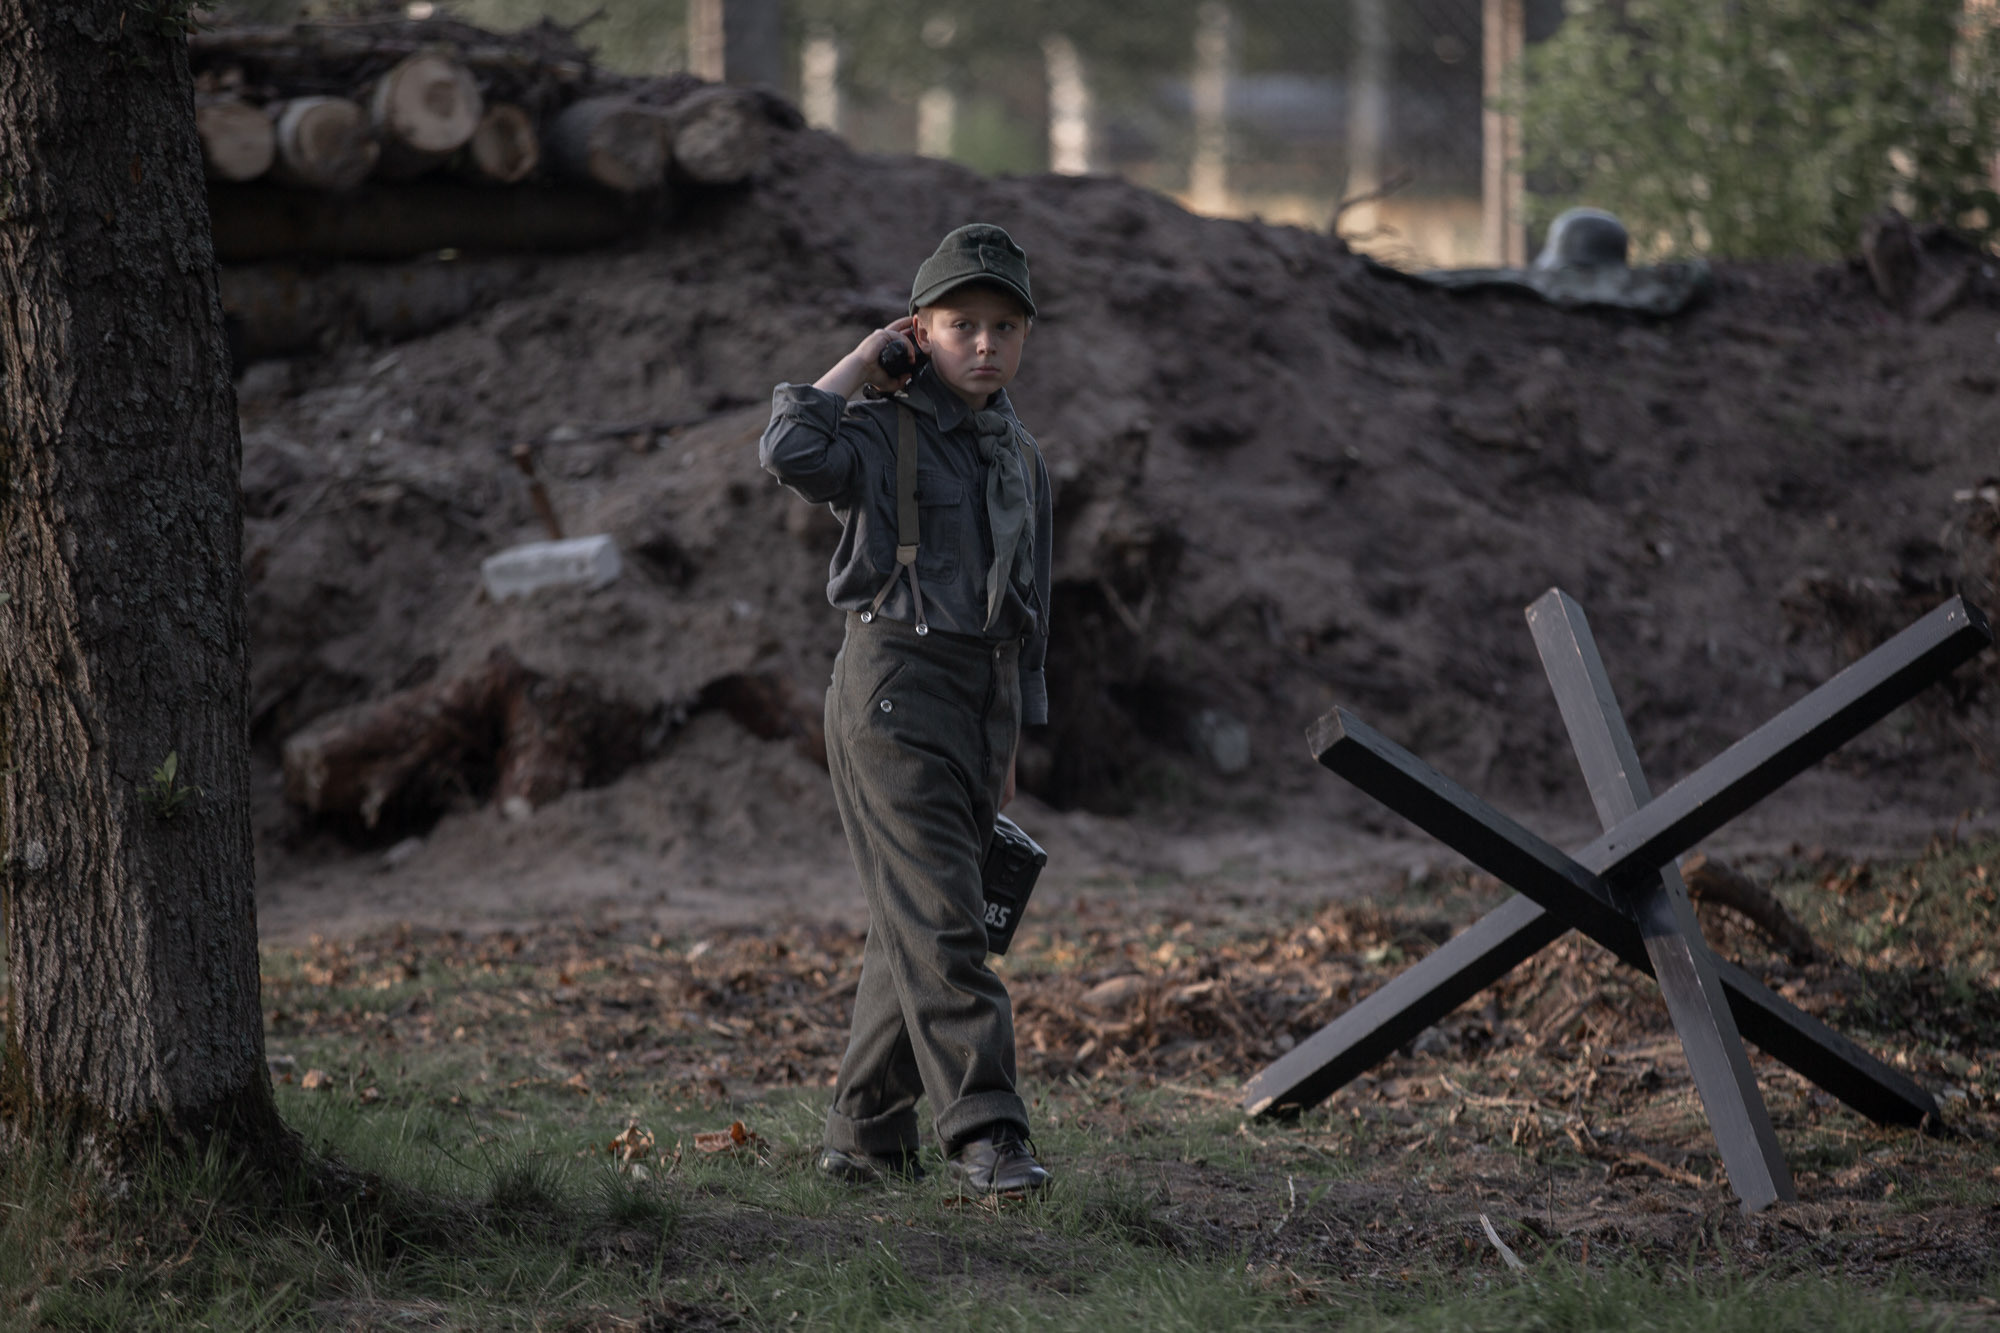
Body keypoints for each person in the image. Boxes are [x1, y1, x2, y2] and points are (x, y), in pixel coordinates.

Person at [758, 223, 1054, 1194]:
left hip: (980, 697)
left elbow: (1031, 606)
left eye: (1002, 327)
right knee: (943, 919)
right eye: (958, 324)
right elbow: (787, 445)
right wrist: (859, 360)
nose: (982, 344)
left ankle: (866, 1135)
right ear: (917, 330)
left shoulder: (1020, 454)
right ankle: (986, 1131)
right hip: (891, 685)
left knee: (918, 917)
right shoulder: (877, 431)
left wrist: (1011, 728)